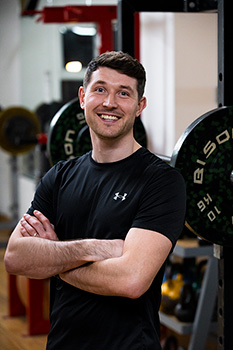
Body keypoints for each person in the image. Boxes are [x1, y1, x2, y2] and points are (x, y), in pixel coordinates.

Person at [4, 51, 186, 350]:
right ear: (82, 97)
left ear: (140, 106)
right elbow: (15, 258)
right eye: (100, 89)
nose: (109, 102)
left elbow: (131, 281)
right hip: (62, 342)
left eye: (123, 93)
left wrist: (53, 257)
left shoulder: (162, 181)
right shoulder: (60, 176)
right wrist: (98, 248)